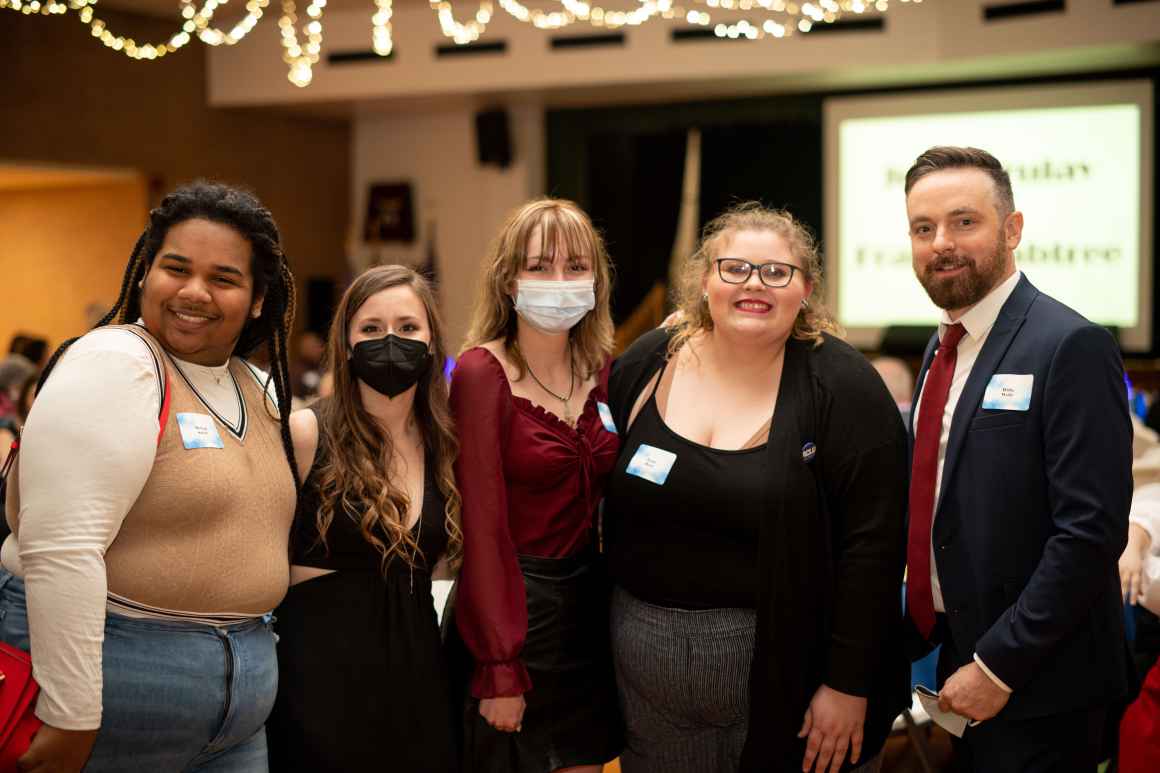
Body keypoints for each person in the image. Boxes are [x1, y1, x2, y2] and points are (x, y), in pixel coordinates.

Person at [0, 181, 299, 773]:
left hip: (236, 720)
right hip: (112, 701)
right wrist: (71, 715)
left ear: (259, 299)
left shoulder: (253, 386)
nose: (194, 292)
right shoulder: (117, 362)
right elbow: (62, 549)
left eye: (224, 278)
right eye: (176, 268)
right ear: (144, 274)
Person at [605, 202, 910, 773]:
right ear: (704, 281)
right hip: (647, 697)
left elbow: (873, 549)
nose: (755, 285)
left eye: (776, 272)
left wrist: (847, 685)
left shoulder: (845, 389)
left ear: (806, 289)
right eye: (735, 268)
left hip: (795, 690)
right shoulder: (647, 362)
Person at [901, 146, 1133, 771]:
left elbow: (1089, 534)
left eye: (963, 221)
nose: (941, 243)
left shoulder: (1070, 344)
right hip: (961, 664)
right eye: (924, 228)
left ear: (1012, 229)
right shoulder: (942, 344)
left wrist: (999, 665)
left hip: (1041, 684)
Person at [266, 265, 462, 771]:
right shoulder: (305, 432)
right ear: (347, 344)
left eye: (408, 327)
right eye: (371, 329)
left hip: (419, 680)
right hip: (319, 684)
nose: (390, 341)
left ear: (432, 339)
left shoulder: (446, 444)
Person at [449, 198, 622, 773]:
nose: (560, 281)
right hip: (511, 617)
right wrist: (500, 665)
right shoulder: (480, 373)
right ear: (508, 279)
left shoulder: (604, 369)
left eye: (576, 267)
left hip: (590, 617)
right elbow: (481, 527)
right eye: (540, 266)